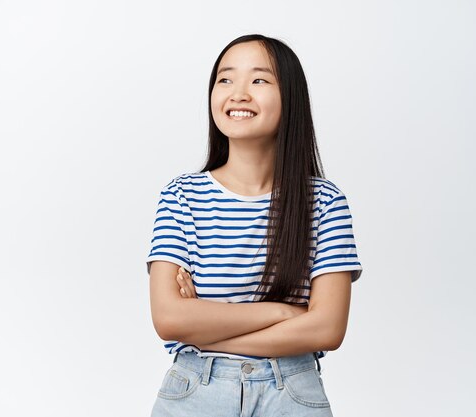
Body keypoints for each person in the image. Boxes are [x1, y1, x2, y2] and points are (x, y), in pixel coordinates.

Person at [145, 34, 363, 417]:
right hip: (197, 393)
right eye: (225, 79)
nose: (238, 93)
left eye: (259, 80)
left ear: (290, 96)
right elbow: (169, 319)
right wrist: (284, 313)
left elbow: (328, 328)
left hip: (291, 393)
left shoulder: (325, 202)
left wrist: (208, 325)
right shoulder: (181, 195)